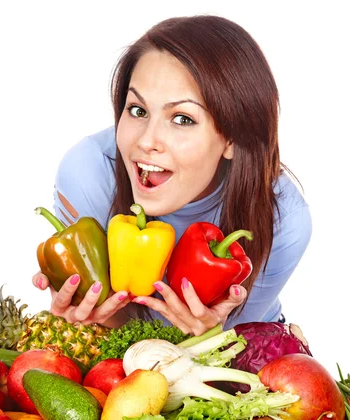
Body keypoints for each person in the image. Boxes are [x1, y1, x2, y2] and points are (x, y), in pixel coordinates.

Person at [32, 15, 312, 336]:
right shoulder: (89, 171)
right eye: (138, 110)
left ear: (233, 138)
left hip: (239, 354)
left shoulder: (284, 219)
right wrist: (86, 313)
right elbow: (113, 332)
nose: (146, 142)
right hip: (121, 356)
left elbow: (229, 345)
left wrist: (210, 333)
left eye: (181, 118)